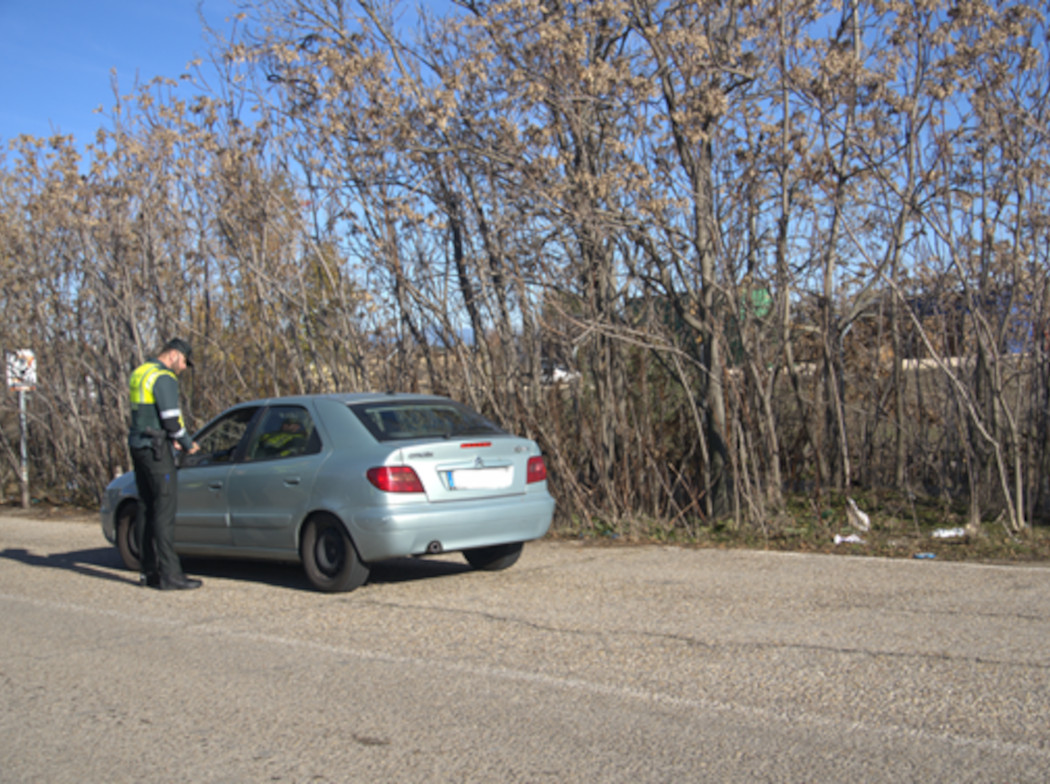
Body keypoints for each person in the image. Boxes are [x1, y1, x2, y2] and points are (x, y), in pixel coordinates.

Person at [127, 338, 202, 590]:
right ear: (173, 355)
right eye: (183, 362)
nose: (182, 368)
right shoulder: (164, 377)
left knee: (146, 507)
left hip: (139, 445)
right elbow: (170, 418)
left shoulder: (140, 372)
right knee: (164, 509)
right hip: (157, 451)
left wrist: (173, 436)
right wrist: (186, 441)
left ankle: (149, 572)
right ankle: (171, 574)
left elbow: (146, 413)